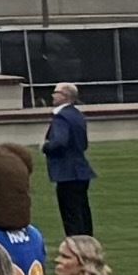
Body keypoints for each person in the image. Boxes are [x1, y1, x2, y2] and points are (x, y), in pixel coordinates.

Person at [42, 85, 96, 240]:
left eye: (56, 92)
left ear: (64, 96)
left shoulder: (61, 117)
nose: (53, 95)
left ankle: (75, 247)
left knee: (71, 215)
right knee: (83, 211)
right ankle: (88, 244)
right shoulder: (77, 115)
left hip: (67, 172)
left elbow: (59, 141)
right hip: (80, 169)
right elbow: (84, 144)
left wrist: (46, 146)